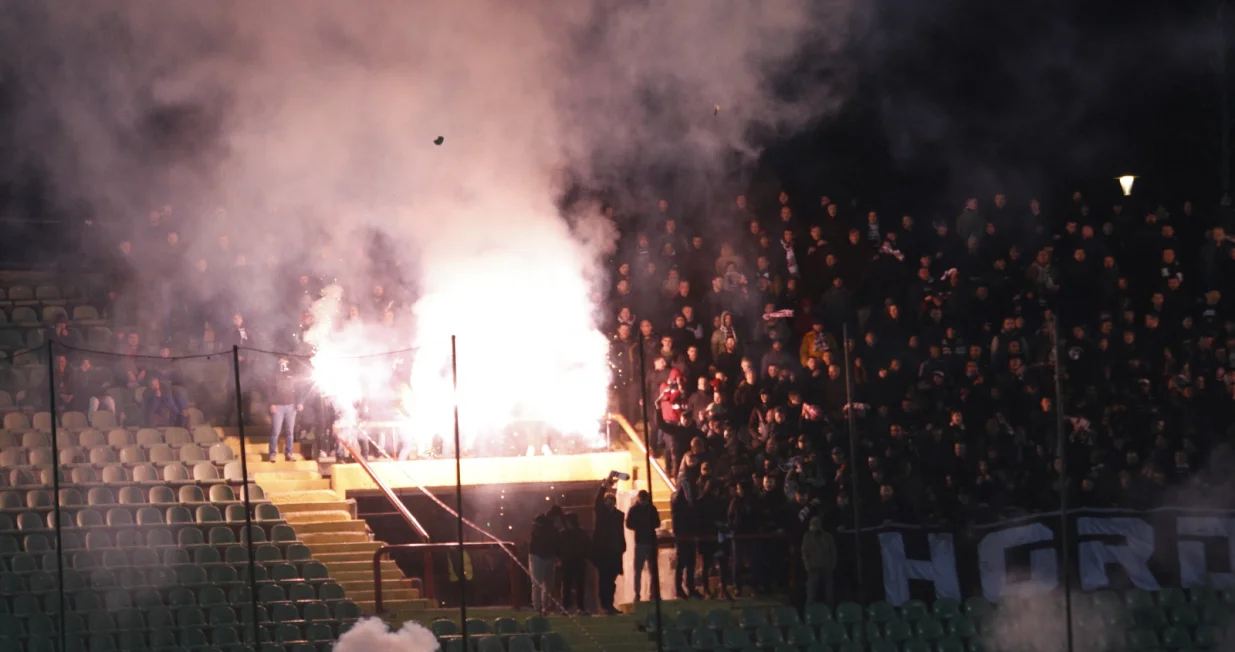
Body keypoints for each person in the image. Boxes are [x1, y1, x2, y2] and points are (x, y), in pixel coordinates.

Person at [592, 475, 626, 615]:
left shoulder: (619, 515)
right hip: (603, 551)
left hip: (615, 551)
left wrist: (623, 546)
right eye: (607, 500)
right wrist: (604, 486)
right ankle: (605, 605)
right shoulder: (602, 513)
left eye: (611, 500)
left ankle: (610, 604)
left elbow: (620, 531)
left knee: (611, 580)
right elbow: (597, 501)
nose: (609, 503)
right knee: (604, 579)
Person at [626, 489, 661, 602]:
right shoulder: (648, 509)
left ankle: (650, 594)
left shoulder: (645, 509)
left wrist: (639, 526)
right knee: (644, 570)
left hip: (645, 541)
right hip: (644, 541)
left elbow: (657, 523)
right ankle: (640, 594)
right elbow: (629, 524)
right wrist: (643, 525)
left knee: (648, 570)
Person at [529, 504, 563, 615]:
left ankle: (540, 607)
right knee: (543, 584)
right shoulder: (547, 524)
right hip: (541, 555)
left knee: (542, 584)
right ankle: (540, 607)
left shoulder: (542, 522)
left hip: (541, 555)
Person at [267, 357, 303, 461]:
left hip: (291, 406)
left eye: (285, 360)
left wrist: (299, 402)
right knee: (275, 431)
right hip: (278, 406)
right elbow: (270, 390)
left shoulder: (292, 374)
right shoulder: (274, 374)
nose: (283, 362)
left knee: (289, 431)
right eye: (281, 360)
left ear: (288, 362)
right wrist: (272, 404)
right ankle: (272, 453)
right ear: (278, 362)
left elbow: (298, 389)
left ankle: (289, 453)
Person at [558, 513, 591, 614]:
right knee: (569, 586)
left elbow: (587, 546)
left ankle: (578, 607)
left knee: (577, 585)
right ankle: (569, 607)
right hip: (572, 562)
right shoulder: (580, 533)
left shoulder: (565, 533)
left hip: (575, 562)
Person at [802, 516, 837, 605]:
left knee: (829, 595)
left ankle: (829, 613)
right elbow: (805, 553)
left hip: (827, 568)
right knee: (811, 595)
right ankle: (809, 613)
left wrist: (832, 565)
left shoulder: (828, 537)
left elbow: (833, 552)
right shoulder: (807, 537)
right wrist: (808, 566)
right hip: (813, 569)